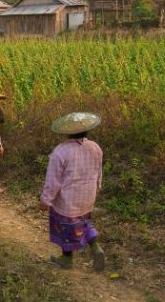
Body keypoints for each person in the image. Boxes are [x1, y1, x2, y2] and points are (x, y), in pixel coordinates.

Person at [41, 112, 105, 271]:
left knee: (65, 228)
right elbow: (98, 172)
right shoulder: (95, 147)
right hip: (88, 197)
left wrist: (46, 200)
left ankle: (67, 260)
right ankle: (96, 248)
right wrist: (97, 189)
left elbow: (53, 181)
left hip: (67, 201)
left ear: (67, 131)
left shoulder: (60, 152)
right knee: (84, 223)